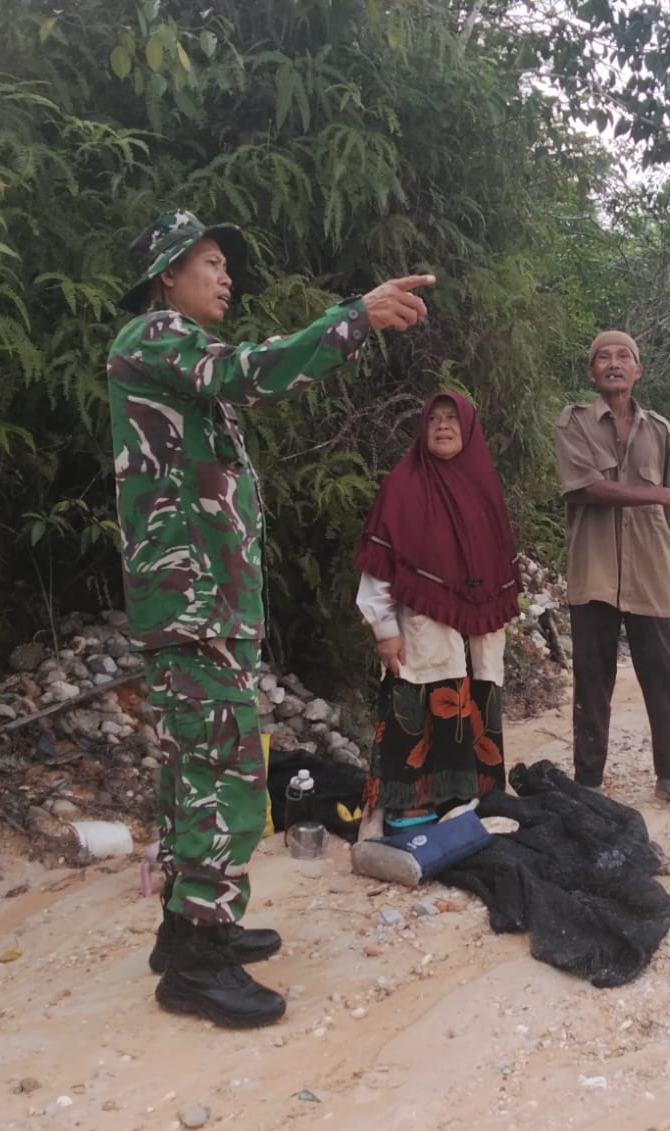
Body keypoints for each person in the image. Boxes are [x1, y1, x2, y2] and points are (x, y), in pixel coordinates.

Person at [108, 208, 432, 1027]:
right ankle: (199, 963)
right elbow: (252, 370)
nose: (227, 277)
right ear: (168, 274)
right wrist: (355, 318)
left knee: (194, 769)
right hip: (192, 605)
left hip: (202, 603)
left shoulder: (172, 361)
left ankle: (188, 929)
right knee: (222, 773)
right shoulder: (156, 337)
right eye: (210, 263)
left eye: (226, 265)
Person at [554, 331, 670, 815]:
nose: (614, 363)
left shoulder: (660, 430)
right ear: (591, 373)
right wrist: (661, 494)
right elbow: (585, 488)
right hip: (594, 571)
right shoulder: (574, 423)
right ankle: (587, 784)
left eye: (624, 356)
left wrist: (667, 501)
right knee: (592, 681)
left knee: (664, 677)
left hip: (650, 570)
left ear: (638, 370)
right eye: (603, 357)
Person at [353, 391, 521, 832]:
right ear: (422, 428)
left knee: (476, 698)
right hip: (421, 623)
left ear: (469, 429)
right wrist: (384, 628)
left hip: (479, 627)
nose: (443, 426)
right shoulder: (404, 484)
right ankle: (409, 805)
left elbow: (498, 559)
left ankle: (472, 798)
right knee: (416, 704)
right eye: (434, 419)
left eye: (452, 419)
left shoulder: (483, 486)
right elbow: (380, 566)